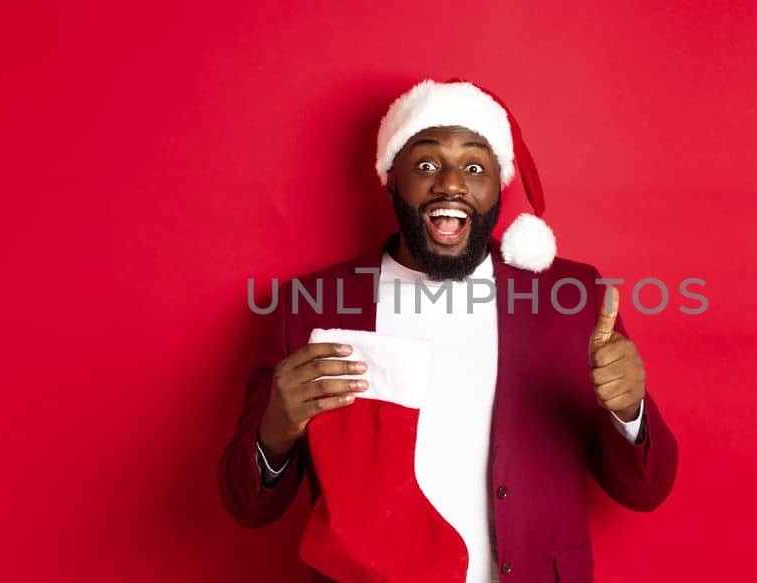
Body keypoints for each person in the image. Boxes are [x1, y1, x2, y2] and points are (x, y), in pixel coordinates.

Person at [218, 79, 678, 583]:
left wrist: (628, 411)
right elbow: (248, 507)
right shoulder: (312, 306)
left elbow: (645, 490)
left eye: (475, 167)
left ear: (497, 184)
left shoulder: (570, 296)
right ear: (391, 177)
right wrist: (276, 431)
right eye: (427, 164)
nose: (451, 184)